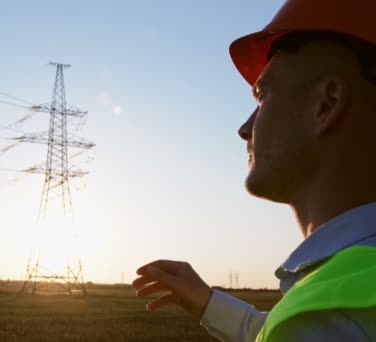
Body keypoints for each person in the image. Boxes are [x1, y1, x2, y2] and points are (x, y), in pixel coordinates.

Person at [132, 0, 376, 340]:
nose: (245, 128)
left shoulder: (329, 316)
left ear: (327, 104)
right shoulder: (346, 302)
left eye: (261, 96)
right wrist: (208, 302)